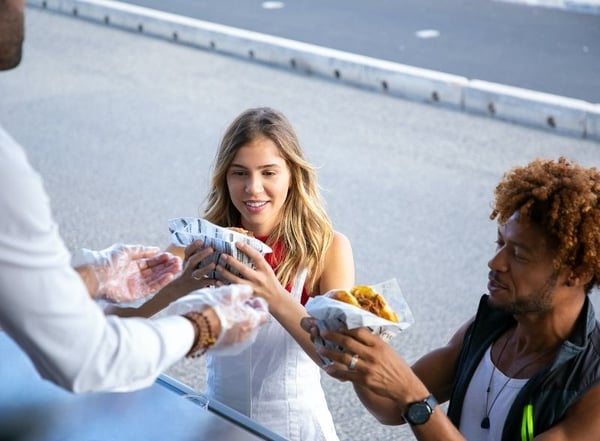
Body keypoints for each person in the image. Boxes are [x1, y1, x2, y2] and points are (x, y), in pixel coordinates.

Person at [0, 0, 268, 394]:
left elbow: (21, 300)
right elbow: (88, 359)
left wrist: (93, 276)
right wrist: (205, 325)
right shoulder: (7, 173)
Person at [305, 157, 600, 440]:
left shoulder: (592, 384)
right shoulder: (489, 327)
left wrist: (412, 395)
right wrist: (356, 352)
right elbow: (391, 407)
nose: (495, 262)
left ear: (576, 272)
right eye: (500, 242)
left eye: (519, 254)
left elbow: (407, 397)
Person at [120, 107, 355, 440]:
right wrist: (183, 284)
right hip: (218, 427)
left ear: (292, 174)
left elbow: (340, 364)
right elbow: (124, 329)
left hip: (298, 432)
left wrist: (273, 296)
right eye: (240, 173)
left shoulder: (327, 249)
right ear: (225, 177)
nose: (253, 188)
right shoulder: (198, 244)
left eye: (269, 173)